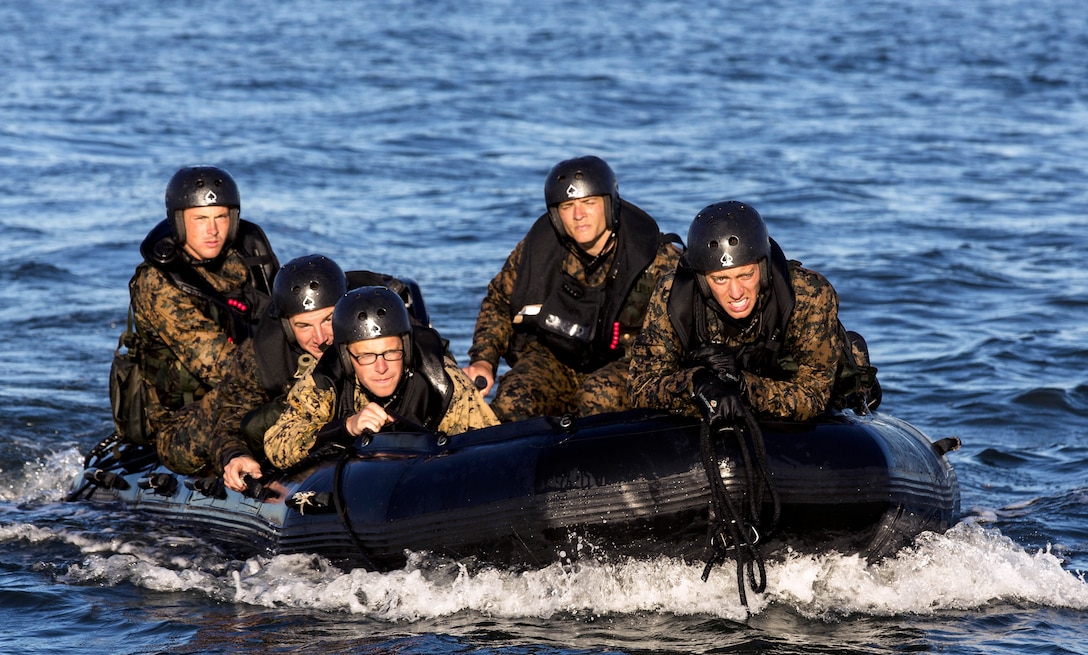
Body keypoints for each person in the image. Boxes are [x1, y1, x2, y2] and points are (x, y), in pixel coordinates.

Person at [462, 155, 682, 421]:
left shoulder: (653, 258)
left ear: (609, 204)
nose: (579, 215)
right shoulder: (538, 250)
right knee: (513, 397)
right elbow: (498, 302)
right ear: (556, 214)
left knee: (599, 395)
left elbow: (689, 321)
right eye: (568, 206)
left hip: (629, 362)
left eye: (589, 203)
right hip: (556, 357)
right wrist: (483, 361)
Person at [629, 200, 878, 426]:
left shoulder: (808, 295)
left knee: (846, 391)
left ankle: (853, 357)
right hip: (723, 378)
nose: (736, 292)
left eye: (746, 275)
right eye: (720, 279)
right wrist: (697, 384)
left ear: (764, 267)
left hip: (789, 372)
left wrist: (741, 385)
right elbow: (641, 388)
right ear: (702, 280)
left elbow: (812, 398)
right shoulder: (672, 295)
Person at [155, 254, 347, 492]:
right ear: (287, 326)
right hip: (208, 419)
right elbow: (229, 420)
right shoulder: (263, 355)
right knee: (189, 448)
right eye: (304, 326)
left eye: (328, 320)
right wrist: (234, 455)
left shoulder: (373, 332)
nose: (320, 338)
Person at [264, 286, 499, 469]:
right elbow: (277, 445)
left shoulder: (441, 380)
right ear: (347, 358)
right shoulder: (326, 380)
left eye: (390, 352)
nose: (381, 367)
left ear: (405, 350)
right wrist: (347, 427)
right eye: (366, 356)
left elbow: (488, 448)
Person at [128, 165, 279, 442]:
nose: (213, 230)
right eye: (200, 218)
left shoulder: (245, 260)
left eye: (221, 217)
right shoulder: (157, 283)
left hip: (252, 388)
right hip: (181, 422)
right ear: (179, 222)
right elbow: (222, 368)